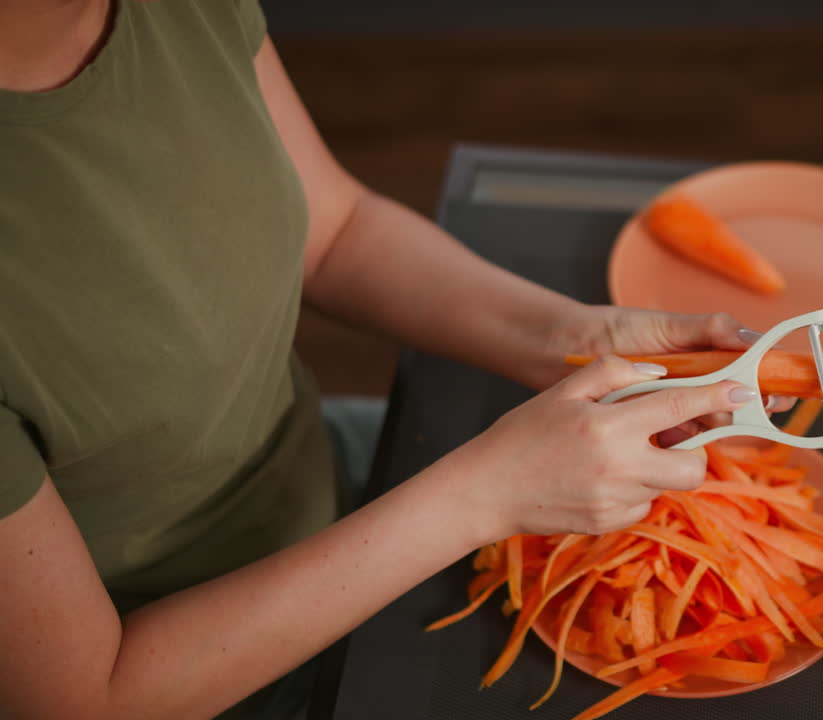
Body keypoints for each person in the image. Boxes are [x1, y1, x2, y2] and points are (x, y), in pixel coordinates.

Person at [0, 1, 779, 718]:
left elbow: (336, 231)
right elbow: (89, 698)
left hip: (326, 479)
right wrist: (487, 492)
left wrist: (577, 336)